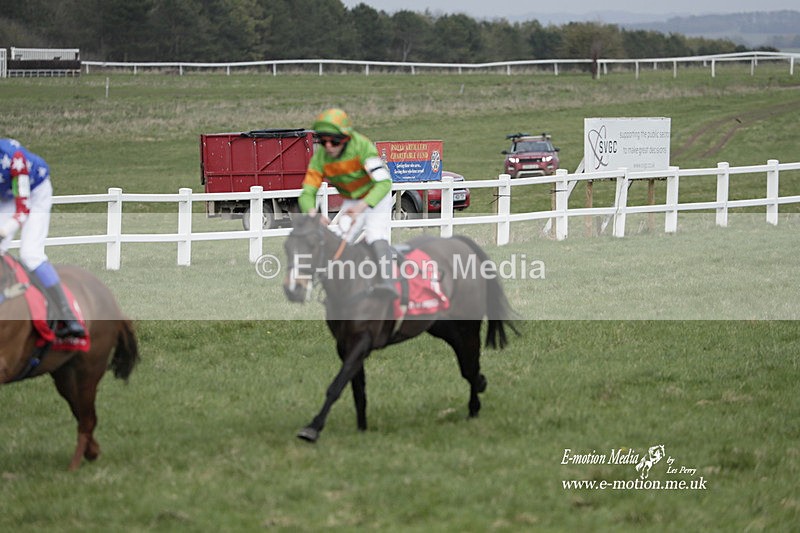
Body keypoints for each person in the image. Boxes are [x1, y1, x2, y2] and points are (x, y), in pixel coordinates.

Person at [298, 108, 396, 296]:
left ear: (345, 139)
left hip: (376, 195)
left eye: (333, 141)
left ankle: (388, 285)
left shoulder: (362, 146)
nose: (328, 146)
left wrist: (362, 206)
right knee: (340, 241)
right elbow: (308, 191)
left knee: (375, 234)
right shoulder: (320, 157)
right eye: (322, 140)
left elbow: (384, 183)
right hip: (352, 198)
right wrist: (312, 213)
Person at [0, 138, 86, 338]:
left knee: (31, 254)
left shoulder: (15, 159)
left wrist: (4, 231)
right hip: (6, 194)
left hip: (34, 192)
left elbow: (23, 209)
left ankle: (68, 316)